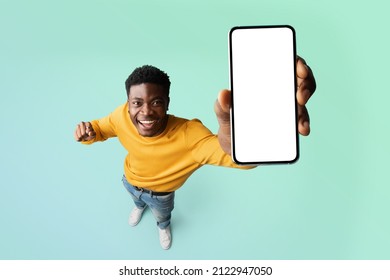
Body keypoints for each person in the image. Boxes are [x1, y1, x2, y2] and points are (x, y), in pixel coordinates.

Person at [74, 58, 316, 249]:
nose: (145, 111)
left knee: (162, 214)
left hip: (161, 195)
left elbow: (234, 157)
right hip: (130, 181)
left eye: (156, 102)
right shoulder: (121, 115)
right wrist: (89, 132)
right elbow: (101, 127)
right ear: (128, 102)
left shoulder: (190, 134)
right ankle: (138, 206)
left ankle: (162, 225)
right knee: (136, 201)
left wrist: (249, 137)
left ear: (168, 102)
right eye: (137, 103)